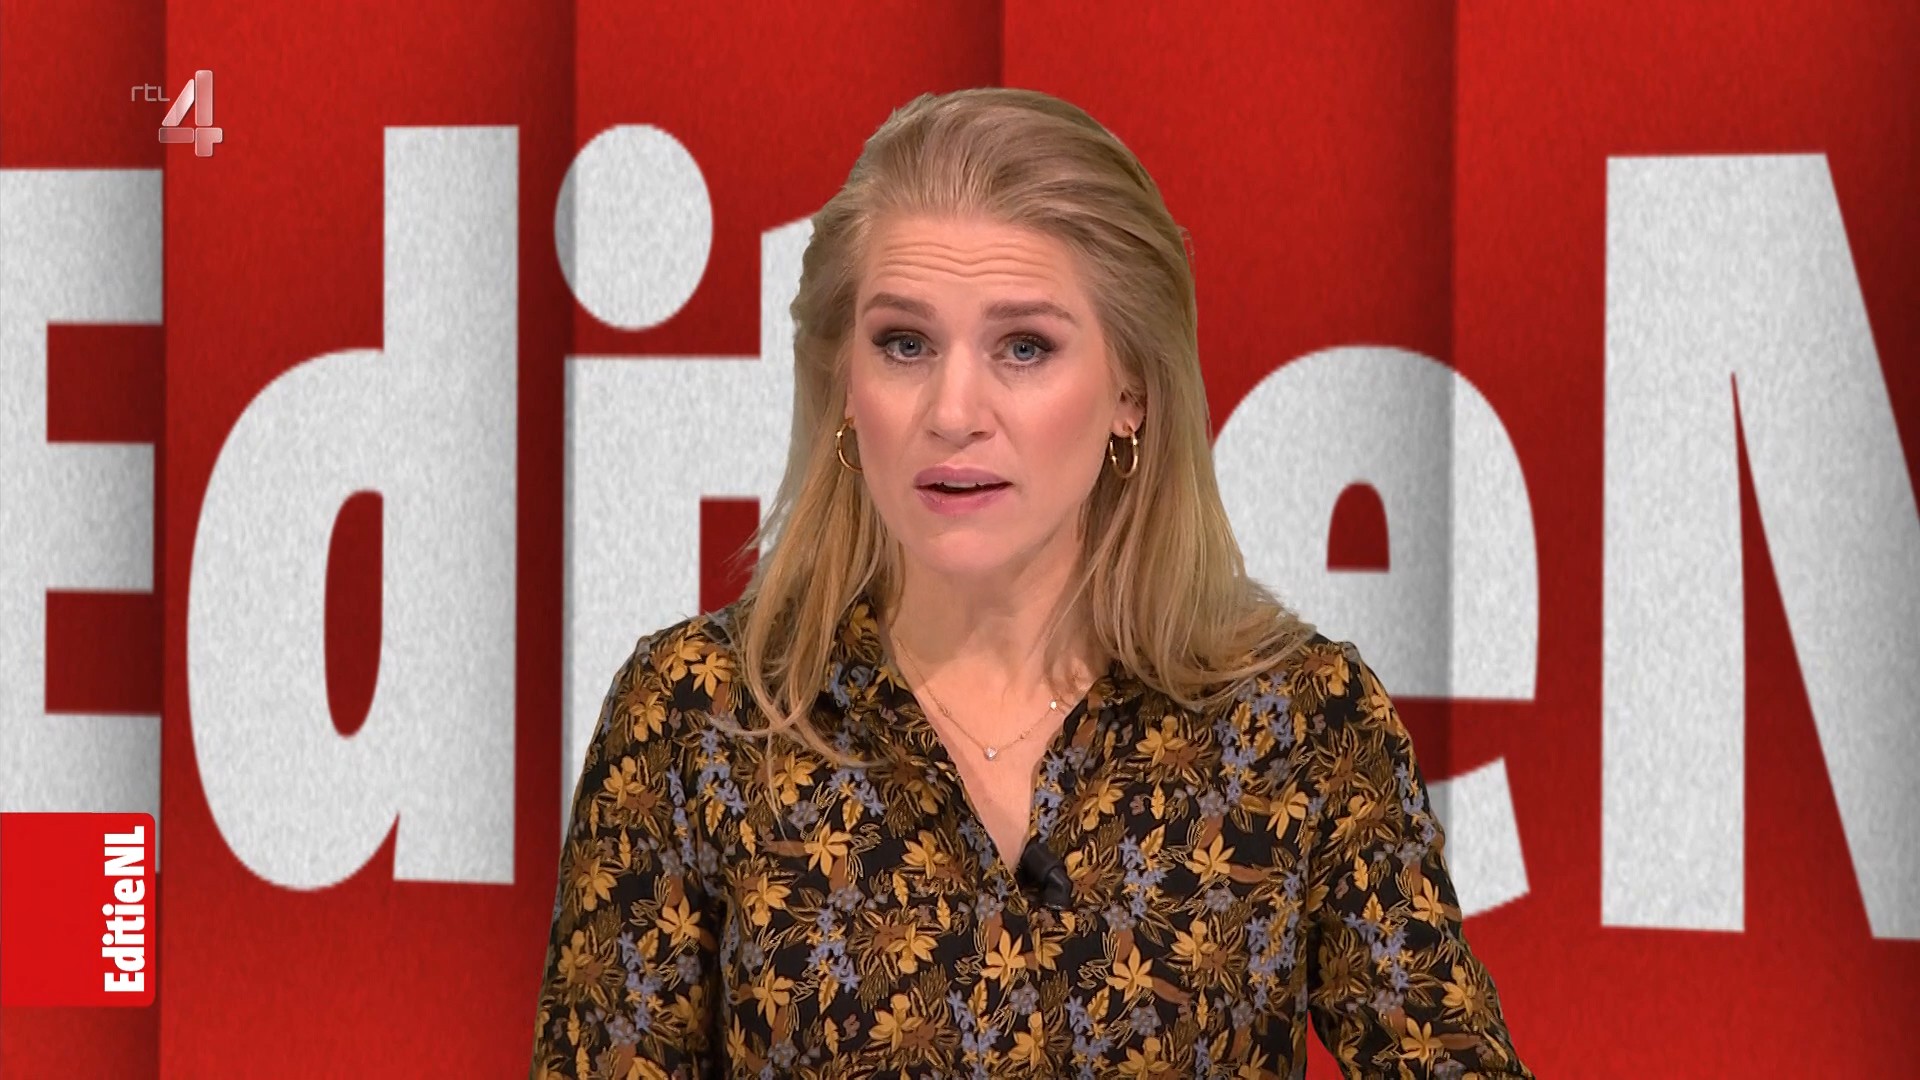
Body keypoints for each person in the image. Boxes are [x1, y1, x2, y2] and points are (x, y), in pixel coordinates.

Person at [529, 86, 1530, 1079]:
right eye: (905, 343)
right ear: (845, 385)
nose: (953, 409)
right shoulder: (697, 717)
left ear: (1132, 391)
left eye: (1024, 347)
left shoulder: (1299, 722)